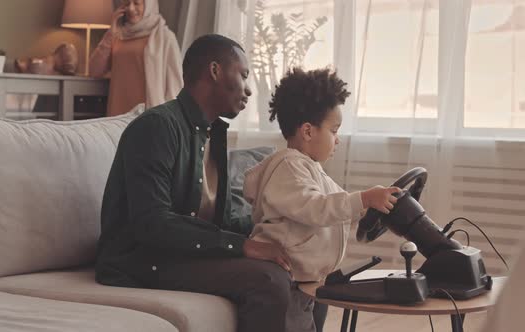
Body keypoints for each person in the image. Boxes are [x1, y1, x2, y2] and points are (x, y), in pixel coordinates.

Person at [96, 34, 327, 332]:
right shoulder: (156, 128)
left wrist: (282, 233)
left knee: (310, 266)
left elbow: (223, 219)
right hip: (141, 260)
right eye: (243, 75)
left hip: (184, 254)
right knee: (269, 280)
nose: (248, 90)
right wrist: (242, 246)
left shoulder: (212, 135)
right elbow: (151, 224)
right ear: (215, 71)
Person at [242, 67, 401, 324]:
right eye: (334, 130)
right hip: (287, 279)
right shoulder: (289, 166)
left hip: (309, 279)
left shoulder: (311, 168)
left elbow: (336, 203)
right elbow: (315, 208)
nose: (337, 141)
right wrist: (364, 198)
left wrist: (365, 207)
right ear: (307, 131)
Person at [89, 0, 182, 116]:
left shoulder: (165, 37)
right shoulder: (117, 36)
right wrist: (110, 32)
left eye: (137, 3)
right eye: (127, 3)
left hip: (150, 116)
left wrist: (171, 120)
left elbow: (175, 86)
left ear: (149, 5)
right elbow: (94, 71)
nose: (131, 8)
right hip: (117, 116)